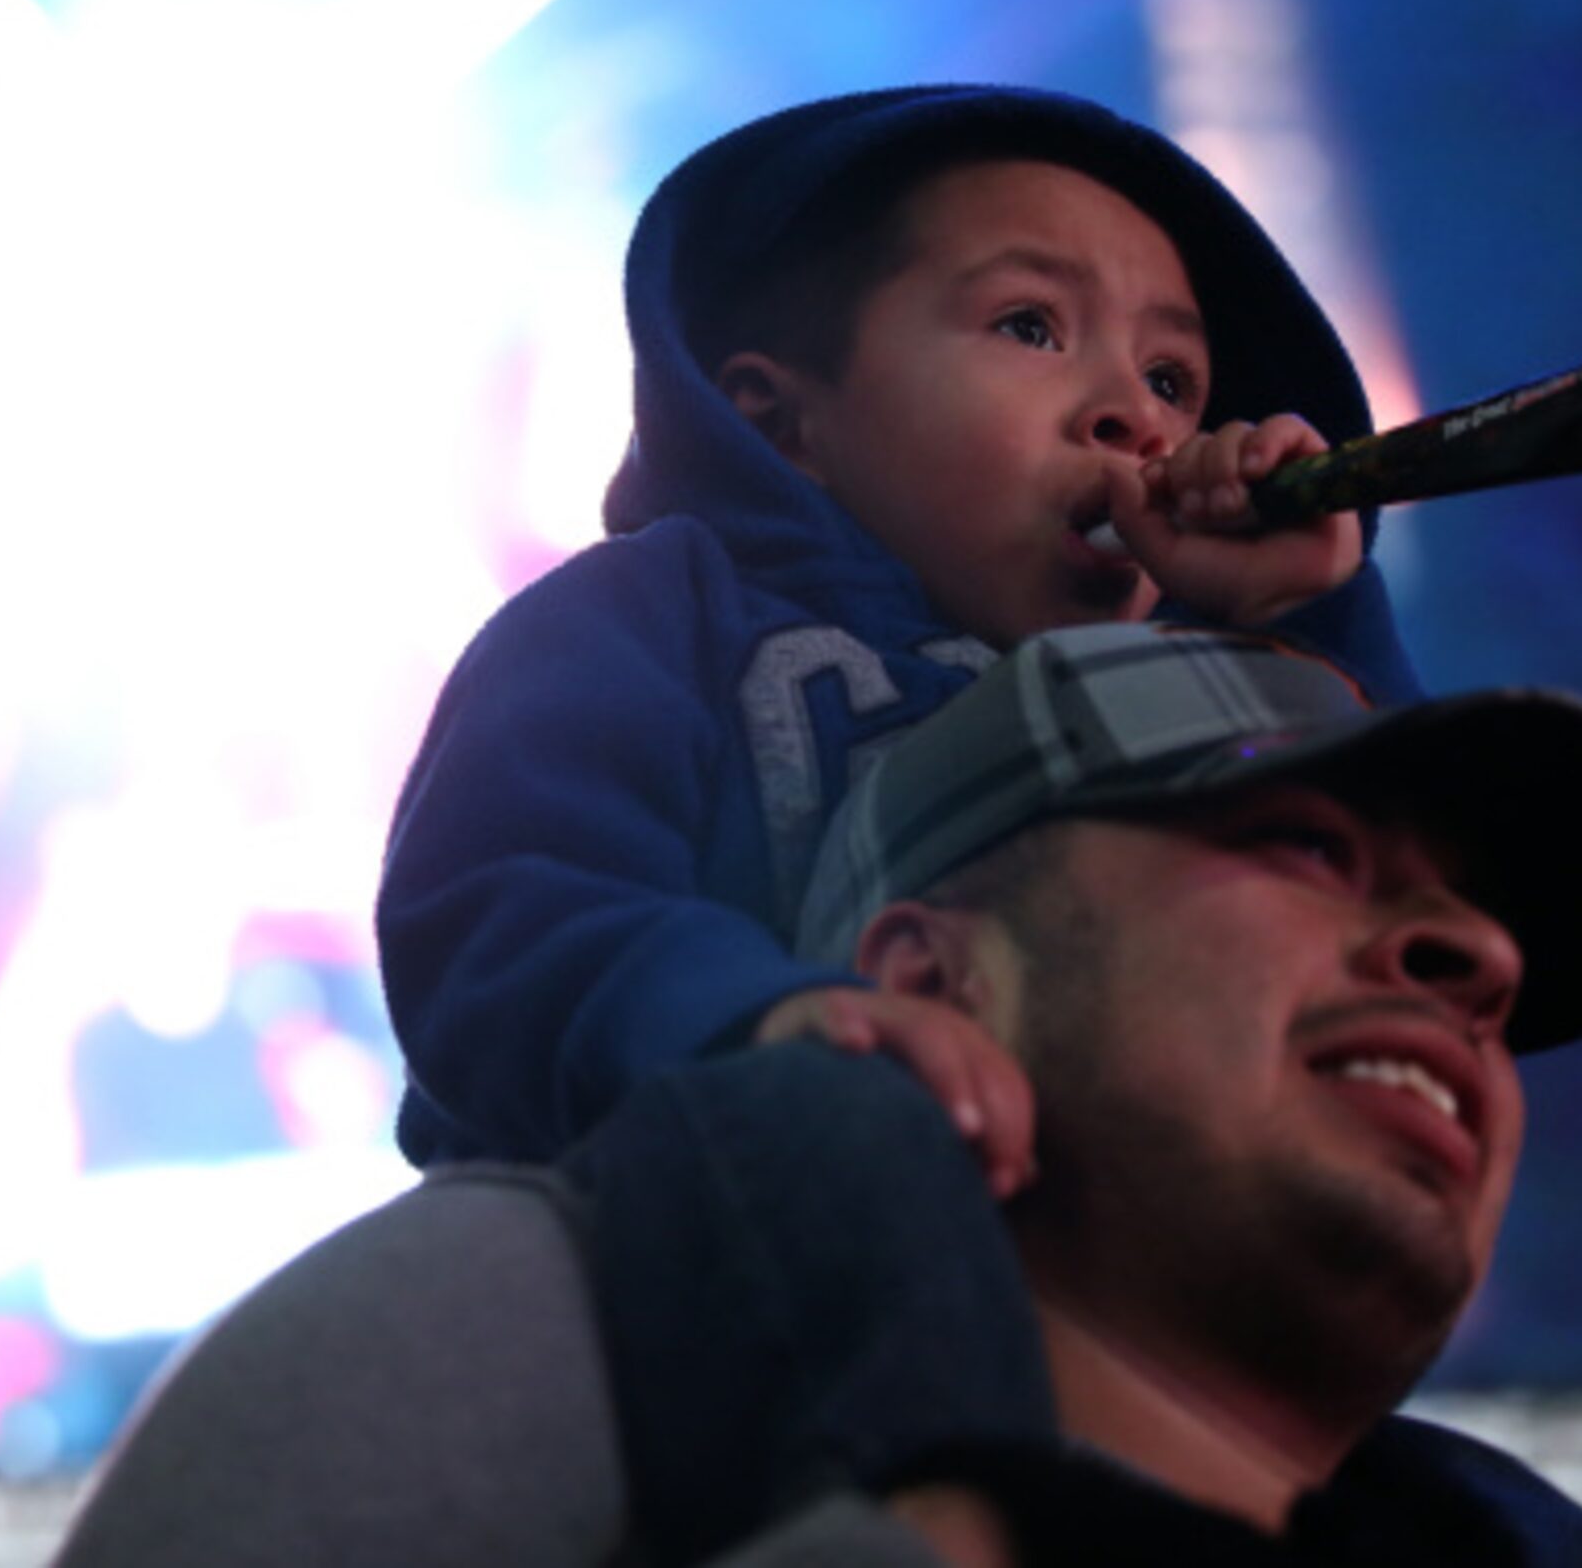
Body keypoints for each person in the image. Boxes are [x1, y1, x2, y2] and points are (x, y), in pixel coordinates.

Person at [47, 621, 1582, 1566]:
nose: (1475, 951)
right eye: (1304, 848)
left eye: (1472, 920)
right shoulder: (539, 1315)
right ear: (927, 973)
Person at [379, 84, 1418, 1180]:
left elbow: (1401, 930)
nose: (1136, 415)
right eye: (1031, 326)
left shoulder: (1190, 683)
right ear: (778, 424)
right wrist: (757, 1028)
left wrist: (1297, 621)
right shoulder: (648, 616)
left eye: (1174, 379)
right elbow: (501, 907)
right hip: (645, 1249)